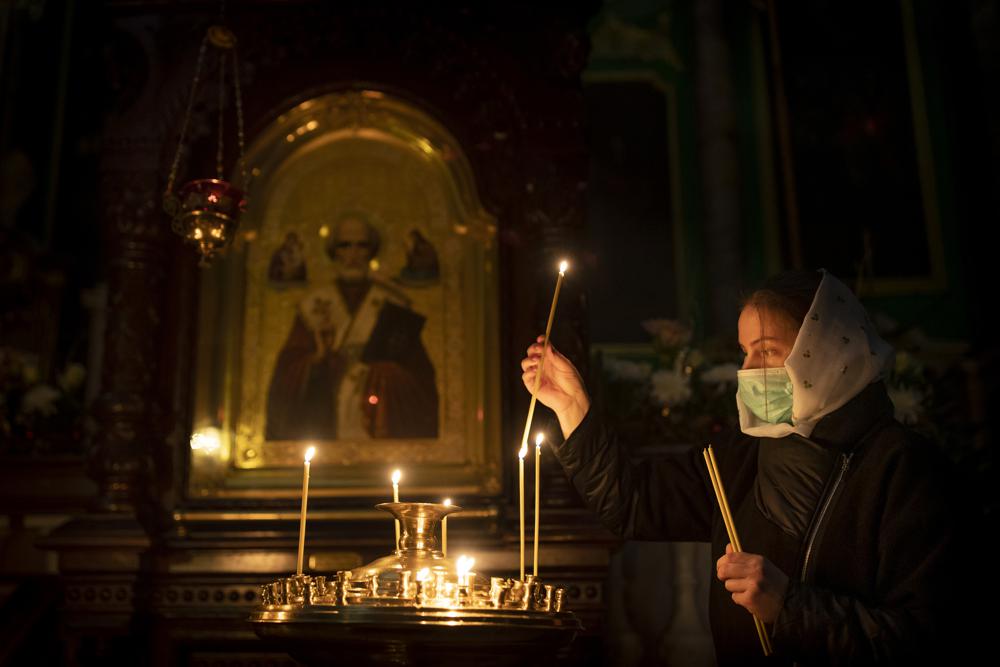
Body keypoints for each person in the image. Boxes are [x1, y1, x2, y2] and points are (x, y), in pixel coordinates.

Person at [521, 269, 973, 665]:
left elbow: (926, 637)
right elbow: (634, 501)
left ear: (828, 349)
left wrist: (789, 607)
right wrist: (573, 407)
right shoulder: (741, 456)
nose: (750, 370)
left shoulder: (905, 469)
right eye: (744, 352)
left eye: (769, 351)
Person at [266, 212, 438, 441]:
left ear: (372, 251)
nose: (353, 254)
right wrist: (316, 361)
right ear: (334, 252)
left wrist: (388, 375)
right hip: (326, 418)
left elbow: (420, 379)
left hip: (378, 413)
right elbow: (287, 374)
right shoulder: (313, 305)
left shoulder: (393, 303)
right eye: (345, 246)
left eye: (362, 246)